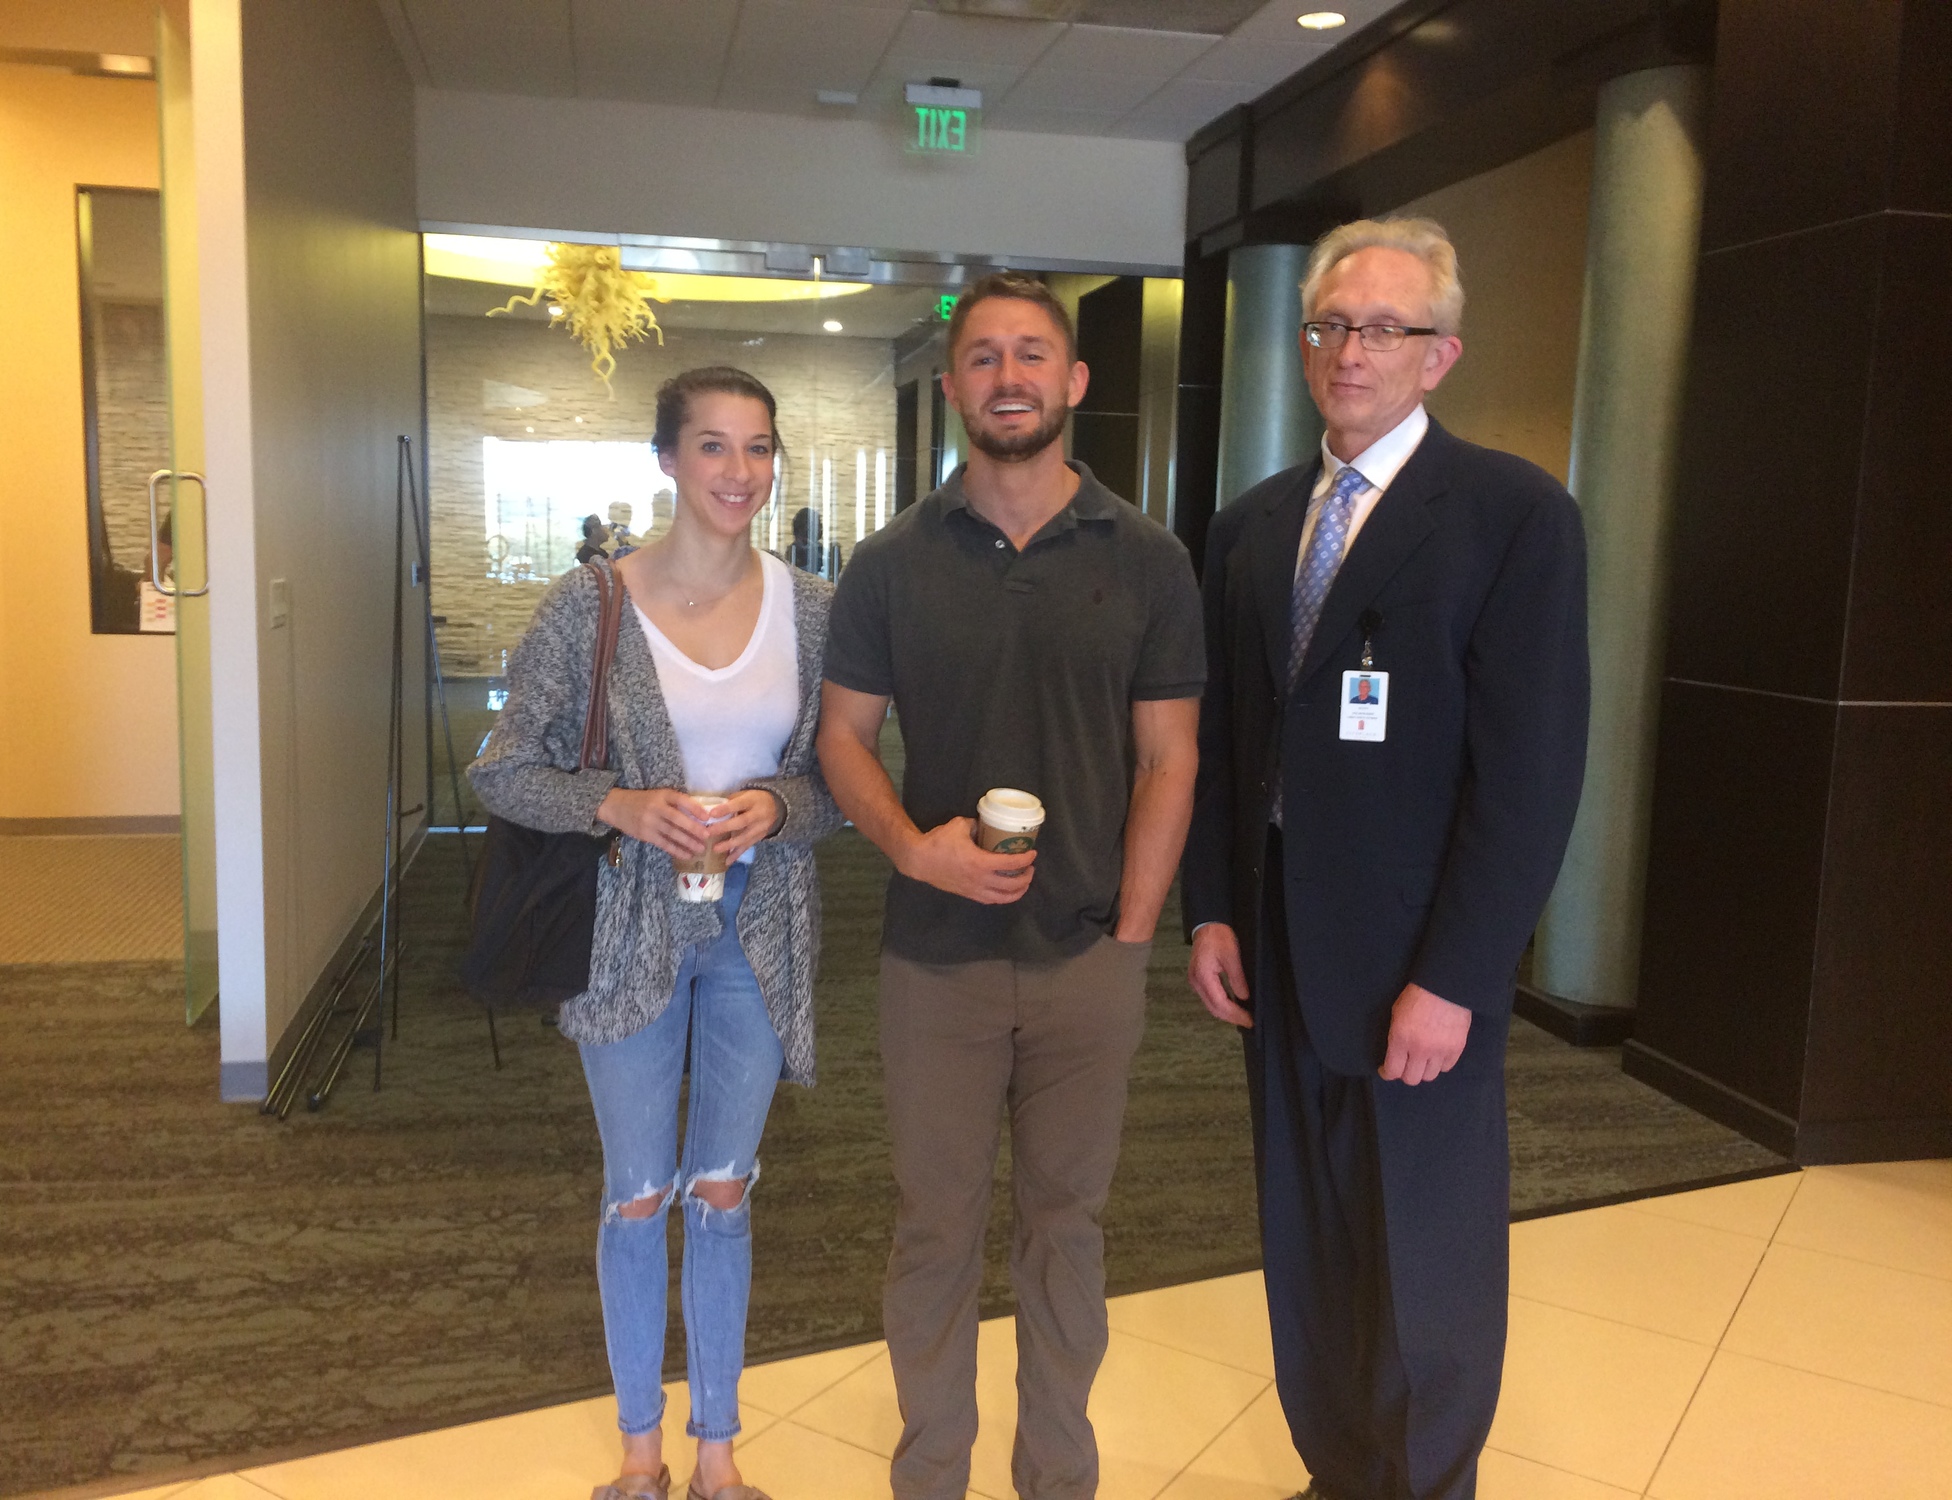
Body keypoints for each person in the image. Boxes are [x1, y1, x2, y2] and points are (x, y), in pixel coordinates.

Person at [1182, 217, 1590, 1500]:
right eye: (1329, 325)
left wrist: (1457, 976)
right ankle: (1338, 1469)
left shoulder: (1512, 516)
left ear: (1438, 354)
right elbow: (1225, 740)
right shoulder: (1250, 526)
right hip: (1274, 942)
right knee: (1306, 1233)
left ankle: (1419, 1484)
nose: (1349, 351)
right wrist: (1210, 912)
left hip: (1417, 959)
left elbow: (1528, 777)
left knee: (1422, 1245)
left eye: (1383, 328)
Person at [818, 272, 1205, 1500]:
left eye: (1031, 354)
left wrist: (1133, 928)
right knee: (934, 1228)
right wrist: (909, 848)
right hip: (933, 961)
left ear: (1073, 381)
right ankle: (930, 1474)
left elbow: (1169, 757)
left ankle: (1057, 1477)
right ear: (952, 388)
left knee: (1065, 1227)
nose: (1008, 377)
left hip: (1087, 956)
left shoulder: (1148, 560)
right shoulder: (890, 563)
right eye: (982, 357)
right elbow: (840, 739)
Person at [470, 366, 843, 1500]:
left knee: (724, 1189)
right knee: (636, 1192)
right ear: (668, 460)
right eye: (714, 446)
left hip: (759, 927)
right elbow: (501, 769)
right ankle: (641, 1454)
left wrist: (777, 806)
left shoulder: (813, 609)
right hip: (624, 930)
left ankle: (718, 1455)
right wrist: (621, 805)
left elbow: (843, 782)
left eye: (758, 447)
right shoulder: (589, 606)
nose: (739, 471)